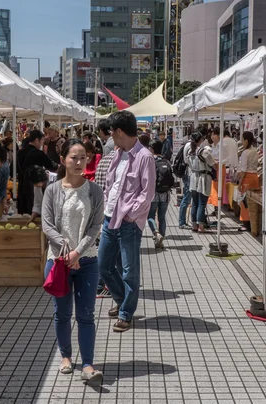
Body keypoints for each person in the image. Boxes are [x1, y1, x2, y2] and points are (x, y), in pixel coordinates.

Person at [42, 139, 104, 383]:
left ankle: (88, 364)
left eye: (83, 157)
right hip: (58, 261)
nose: (79, 162)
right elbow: (47, 225)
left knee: (86, 315)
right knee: (62, 313)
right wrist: (66, 251)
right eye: (73, 158)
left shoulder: (94, 190)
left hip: (86, 261)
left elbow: (96, 225)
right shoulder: (53, 190)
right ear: (63, 160)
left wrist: (77, 252)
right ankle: (65, 356)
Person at [99, 110, 156, 333]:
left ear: (119, 131)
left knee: (129, 271)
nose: (110, 136)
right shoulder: (118, 153)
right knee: (104, 266)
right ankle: (122, 299)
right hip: (109, 217)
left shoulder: (145, 157)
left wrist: (131, 215)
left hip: (128, 221)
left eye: (112, 131)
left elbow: (147, 193)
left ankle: (126, 313)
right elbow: (111, 184)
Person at [17, 130, 58, 215]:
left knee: (22, 216)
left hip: (21, 186)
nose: (42, 143)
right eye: (42, 140)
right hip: (35, 186)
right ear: (36, 140)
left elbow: (13, 169)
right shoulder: (38, 153)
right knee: (34, 211)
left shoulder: (20, 152)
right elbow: (52, 165)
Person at [185, 131, 216, 233]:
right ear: (201, 140)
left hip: (193, 177)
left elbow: (188, 163)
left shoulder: (190, 152)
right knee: (202, 203)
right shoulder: (204, 151)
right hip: (203, 177)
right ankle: (201, 226)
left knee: (195, 203)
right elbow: (213, 163)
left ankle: (194, 225)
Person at [148, 140, 173, 249]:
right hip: (165, 193)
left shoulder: (150, 161)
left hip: (153, 193)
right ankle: (160, 240)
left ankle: (156, 233)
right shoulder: (167, 161)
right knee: (162, 217)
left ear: (151, 149)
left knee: (150, 216)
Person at [236, 131, 260, 232]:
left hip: (247, 178)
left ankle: (246, 223)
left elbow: (244, 170)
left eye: (242, 139)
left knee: (245, 202)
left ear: (246, 140)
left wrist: (240, 183)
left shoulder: (245, 153)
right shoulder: (255, 151)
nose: (242, 141)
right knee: (253, 202)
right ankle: (253, 223)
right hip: (255, 177)